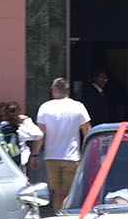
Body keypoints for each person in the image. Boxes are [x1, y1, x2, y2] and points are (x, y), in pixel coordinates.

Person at [36, 77, 91, 210]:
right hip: (71, 157)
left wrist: (35, 154)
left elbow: (40, 134)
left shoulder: (45, 107)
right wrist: (88, 152)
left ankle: (57, 215)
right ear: (67, 90)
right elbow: (87, 131)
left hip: (51, 156)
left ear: (54, 90)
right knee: (68, 193)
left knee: (57, 193)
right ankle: (65, 216)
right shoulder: (78, 106)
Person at [0, 100, 42, 175]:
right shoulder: (21, 129)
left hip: (3, 165)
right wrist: (27, 120)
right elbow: (39, 135)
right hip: (19, 165)